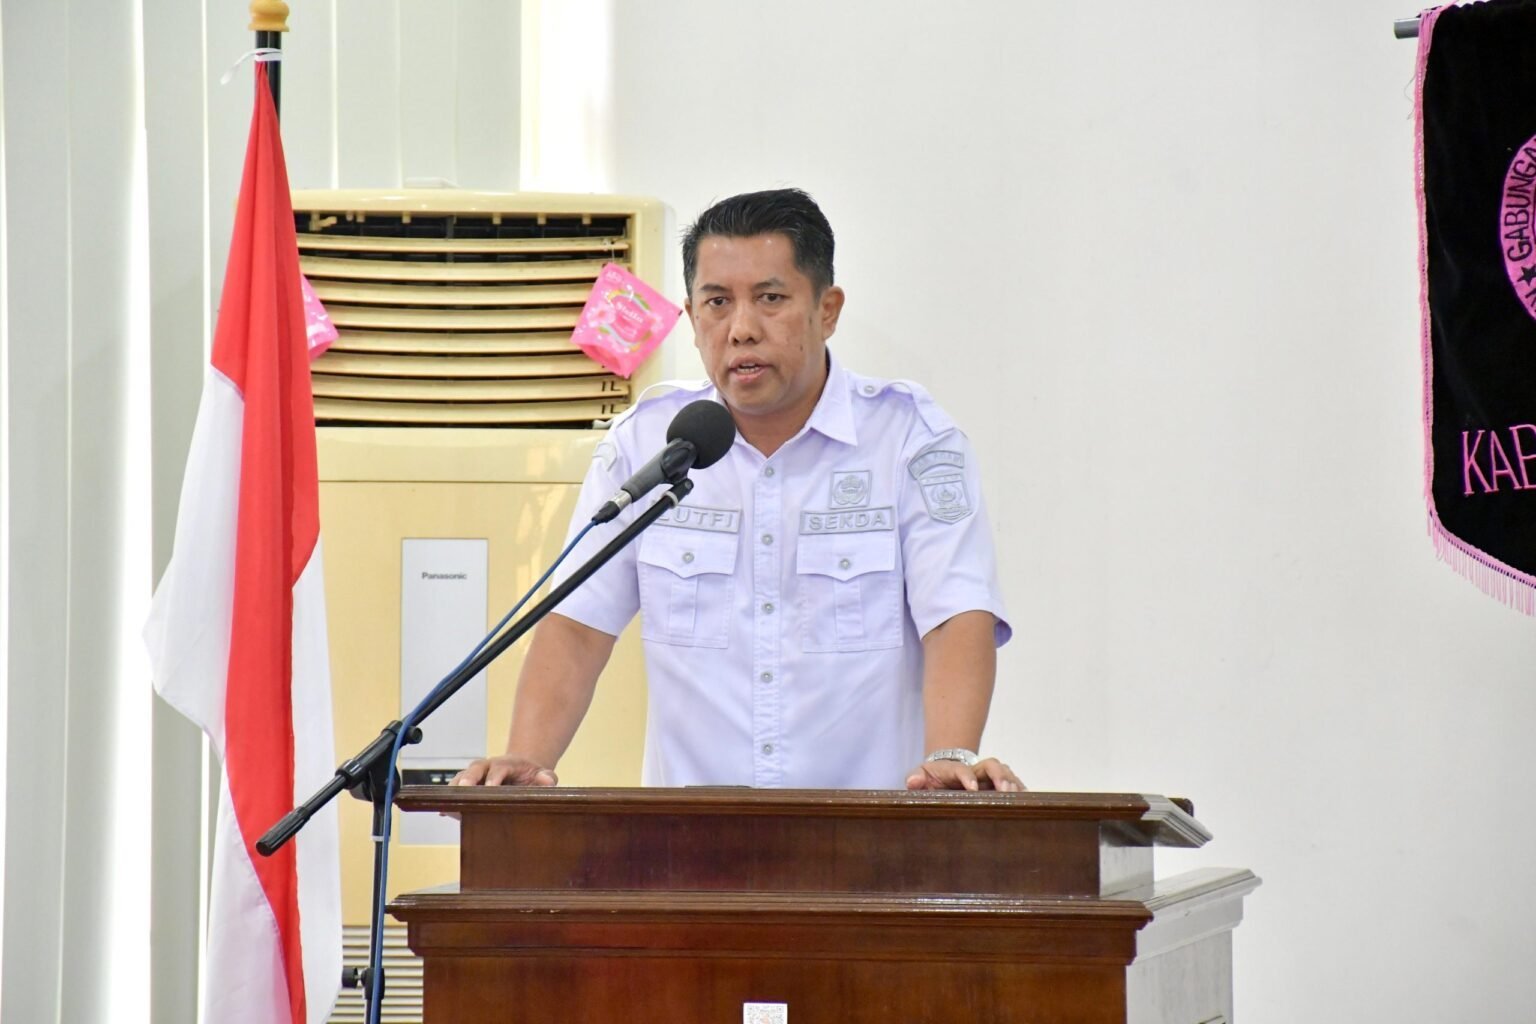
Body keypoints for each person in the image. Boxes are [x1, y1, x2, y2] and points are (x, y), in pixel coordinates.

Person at [454, 188, 1018, 792]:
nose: (741, 329)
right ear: (693, 318)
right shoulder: (646, 444)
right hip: (691, 836)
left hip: (867, 830)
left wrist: (950, 756)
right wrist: (528, 757)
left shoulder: (909, 439)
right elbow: (578, 623)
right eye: (717, 303)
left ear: (827, 311)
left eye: (770, 299)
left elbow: (956, 614)